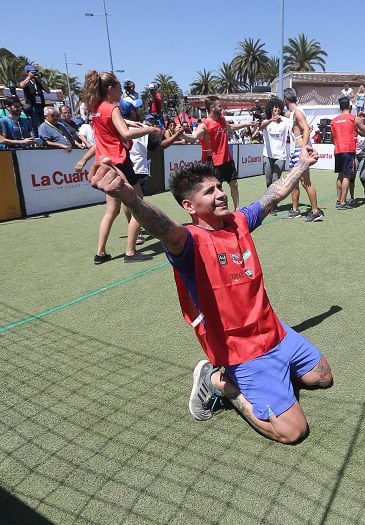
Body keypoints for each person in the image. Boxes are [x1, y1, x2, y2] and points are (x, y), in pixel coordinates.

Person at [87, 145, 333, 444]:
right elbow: (163, 227)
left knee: (322, 378)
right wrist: (129, 197)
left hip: (275, 333)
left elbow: (274, 194)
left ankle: (272, 379)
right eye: (209, 192)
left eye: (219, 187)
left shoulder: (238, 221)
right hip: (241, 351)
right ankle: (218, 382)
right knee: (293, 431)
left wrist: (302, 163)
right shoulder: (188, 242)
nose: (220, 194)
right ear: (190, 206)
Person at [81, 70, 163, 264]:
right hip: (119, 162)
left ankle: (100, 253)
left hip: (103, 164)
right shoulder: (112, 108)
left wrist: (130, 122)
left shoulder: (95, 109)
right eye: (118, 89)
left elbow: (108, 130)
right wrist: (150, 128)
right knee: (138, 205)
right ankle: (130, 252)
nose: (121, 93)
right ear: (110, 89)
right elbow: (125, 134)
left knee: (111, 211)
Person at [181, 96, 251, 211]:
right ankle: (220, 211)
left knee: (234, 184)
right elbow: (194, 137)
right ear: (212, 108)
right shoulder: (204, 124)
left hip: (227, 158)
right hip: (213, 162)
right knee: (217, 189)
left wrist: (247, 124)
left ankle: (237, 209)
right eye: (219, 106)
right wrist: (181, 134)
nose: (221, 108)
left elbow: (231, 127)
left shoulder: (222, 119)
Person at [331, 97, 365, 210]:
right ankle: (343, 202)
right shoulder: (353, 118)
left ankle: (339, 201)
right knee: (347, 176)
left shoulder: (333, 121)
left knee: (340, 176)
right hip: (348, 149)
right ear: (350, 107)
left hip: (338, 150)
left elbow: (331, 139)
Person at [283, 87, 323, 222]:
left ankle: (315, 212)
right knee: (294, 182)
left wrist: (303, 149)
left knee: (306, 183)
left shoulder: (298, 112)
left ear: (286, 100)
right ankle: (295, 210)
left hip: (300, 148)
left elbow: (306, 130)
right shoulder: (293, 113)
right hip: (296, 150)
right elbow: (287, 116)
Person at [258, 98, 291, 215]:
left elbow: (293, 116)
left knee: (275, 179)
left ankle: (272, 205)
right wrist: (271, 119)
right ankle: (270, 201)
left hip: (280, 156)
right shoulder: (267, 121)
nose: (277, 109)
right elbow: (260, 127)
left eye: (279, 107)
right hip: (268, 155)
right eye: (274, 107)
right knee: (268, 180)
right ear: (270, 109)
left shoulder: (285, 121)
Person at [18, 65, 50, 136]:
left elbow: (48, 90)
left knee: (42, 122)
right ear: (27, 72)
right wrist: (29, 77)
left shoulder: (38, 80)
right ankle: (35, 136)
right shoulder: (23, 79)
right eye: (32, 72)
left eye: (35, 72)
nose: (34, 73)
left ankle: (44, 135)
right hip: (32, 105)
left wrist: (40, 80)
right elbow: (21, 85)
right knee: (34, 122)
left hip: (41, 104)